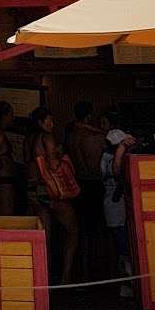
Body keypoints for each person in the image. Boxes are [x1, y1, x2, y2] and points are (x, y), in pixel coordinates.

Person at [26, 105, 80, 284]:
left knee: (44, 237)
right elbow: (54, 164)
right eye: (49, 120)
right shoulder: (47, 138)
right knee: (72, 231)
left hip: (35, 191)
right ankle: (66, 276)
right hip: (52, 191)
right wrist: (63, 155)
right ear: (41, 122)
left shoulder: (29, 139)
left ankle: (43, 278)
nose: (53, 124)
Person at [64, 101, 107, 278]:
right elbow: (95, 168)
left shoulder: (70, 136)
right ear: (89, 115)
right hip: (91, 183)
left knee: (78, 228)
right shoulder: (92, 137)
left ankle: (80, 271)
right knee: (94, 229)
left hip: (76, 183)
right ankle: (94, 271)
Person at [101, 124, 135, 299]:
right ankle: (125, 285)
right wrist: (122, 149)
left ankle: (128, 285)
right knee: (123, 250)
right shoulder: (107, 159)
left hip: (122, 210)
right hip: (115, 210)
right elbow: (115, 171)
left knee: (126, 248)